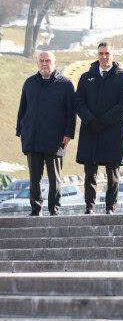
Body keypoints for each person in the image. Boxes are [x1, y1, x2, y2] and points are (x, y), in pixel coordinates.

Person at [75, 42, 123, 214]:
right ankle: (89, 206)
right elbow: (78, 102)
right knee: (90, 173)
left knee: (112, 174)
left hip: (112, 132)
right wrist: (91, 120)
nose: (104, 56)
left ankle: (110, 207)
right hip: (90, 130)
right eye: (101, 53)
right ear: (97, 54)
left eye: (107, 53)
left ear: (113, 54)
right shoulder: (86, 77)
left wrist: (104, 121)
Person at [16, 51, 75, 216]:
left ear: (55, 63)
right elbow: (22, 110)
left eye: (47, 60)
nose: (44, 64)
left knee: (54, 177)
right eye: (41, 61)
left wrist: (68, 134)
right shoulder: (29, 83)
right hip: (32, 137)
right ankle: (36, 209)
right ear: (37, 63)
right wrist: (20, 130)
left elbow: (71, 113)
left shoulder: (66, 84)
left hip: (55, 139)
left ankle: (54, 209)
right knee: (34, 177)